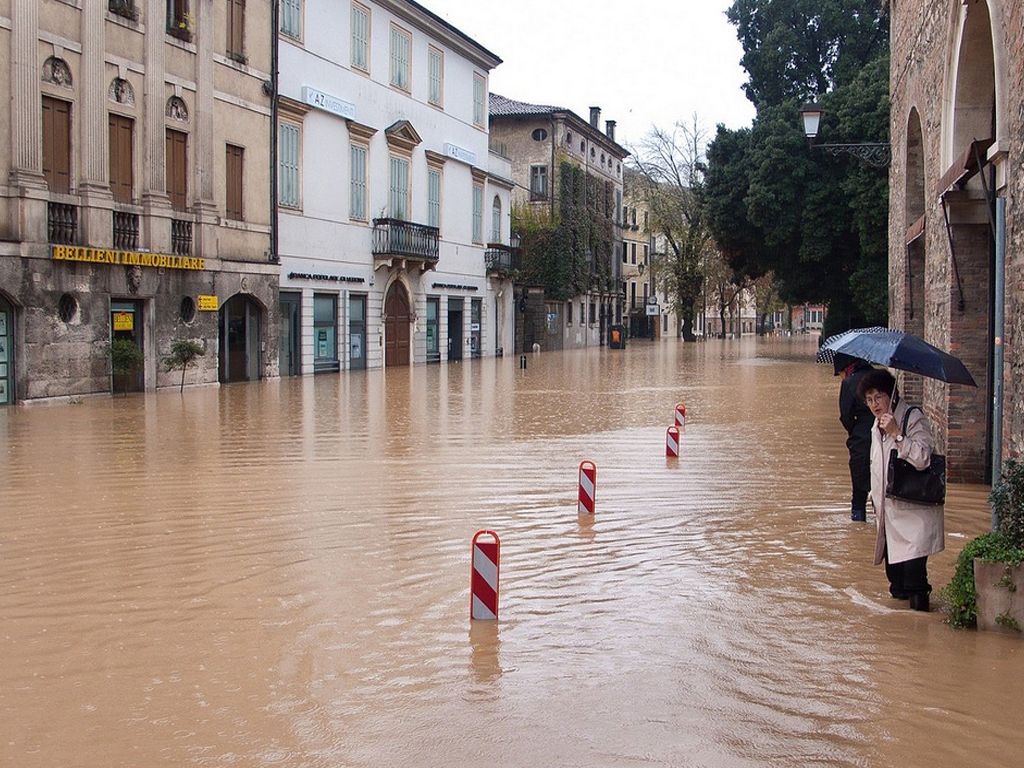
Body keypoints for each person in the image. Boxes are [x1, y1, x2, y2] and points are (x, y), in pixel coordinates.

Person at [856, 368, 945, 612]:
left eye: (879, 397)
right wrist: (872, 498)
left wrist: (897, 434)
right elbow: (878, 465)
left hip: (914, 513)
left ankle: (920, 635)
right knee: (896, 583)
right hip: (889, 514)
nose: (874, 404)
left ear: (892, 395)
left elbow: (923, 458)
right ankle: (901, 640)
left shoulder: (913, 419)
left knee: (915, 581)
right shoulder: (876, 425)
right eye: (869, 399)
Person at [834, 353, 874, 522]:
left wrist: (855, 431)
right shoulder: (880, 379)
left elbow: (846, 416)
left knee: (859, 490)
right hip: (886, 439)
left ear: (845, 368)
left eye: (839, 374)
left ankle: (858, 523)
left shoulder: (849, 383)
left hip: (861, 442)